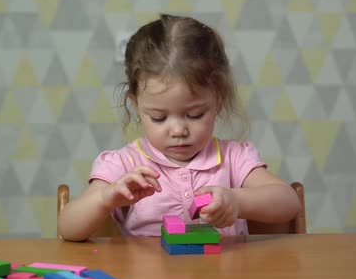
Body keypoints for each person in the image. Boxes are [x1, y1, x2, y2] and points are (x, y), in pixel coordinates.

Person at [58, 14, 301, 241]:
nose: (178, 131)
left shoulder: (234, 158)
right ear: (136, 105)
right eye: (159, 118)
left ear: (217, 100)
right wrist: (104, 199)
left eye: (195, 115)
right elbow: (67, 228)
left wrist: (237, 201)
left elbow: (288, 202)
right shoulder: (123, 165)